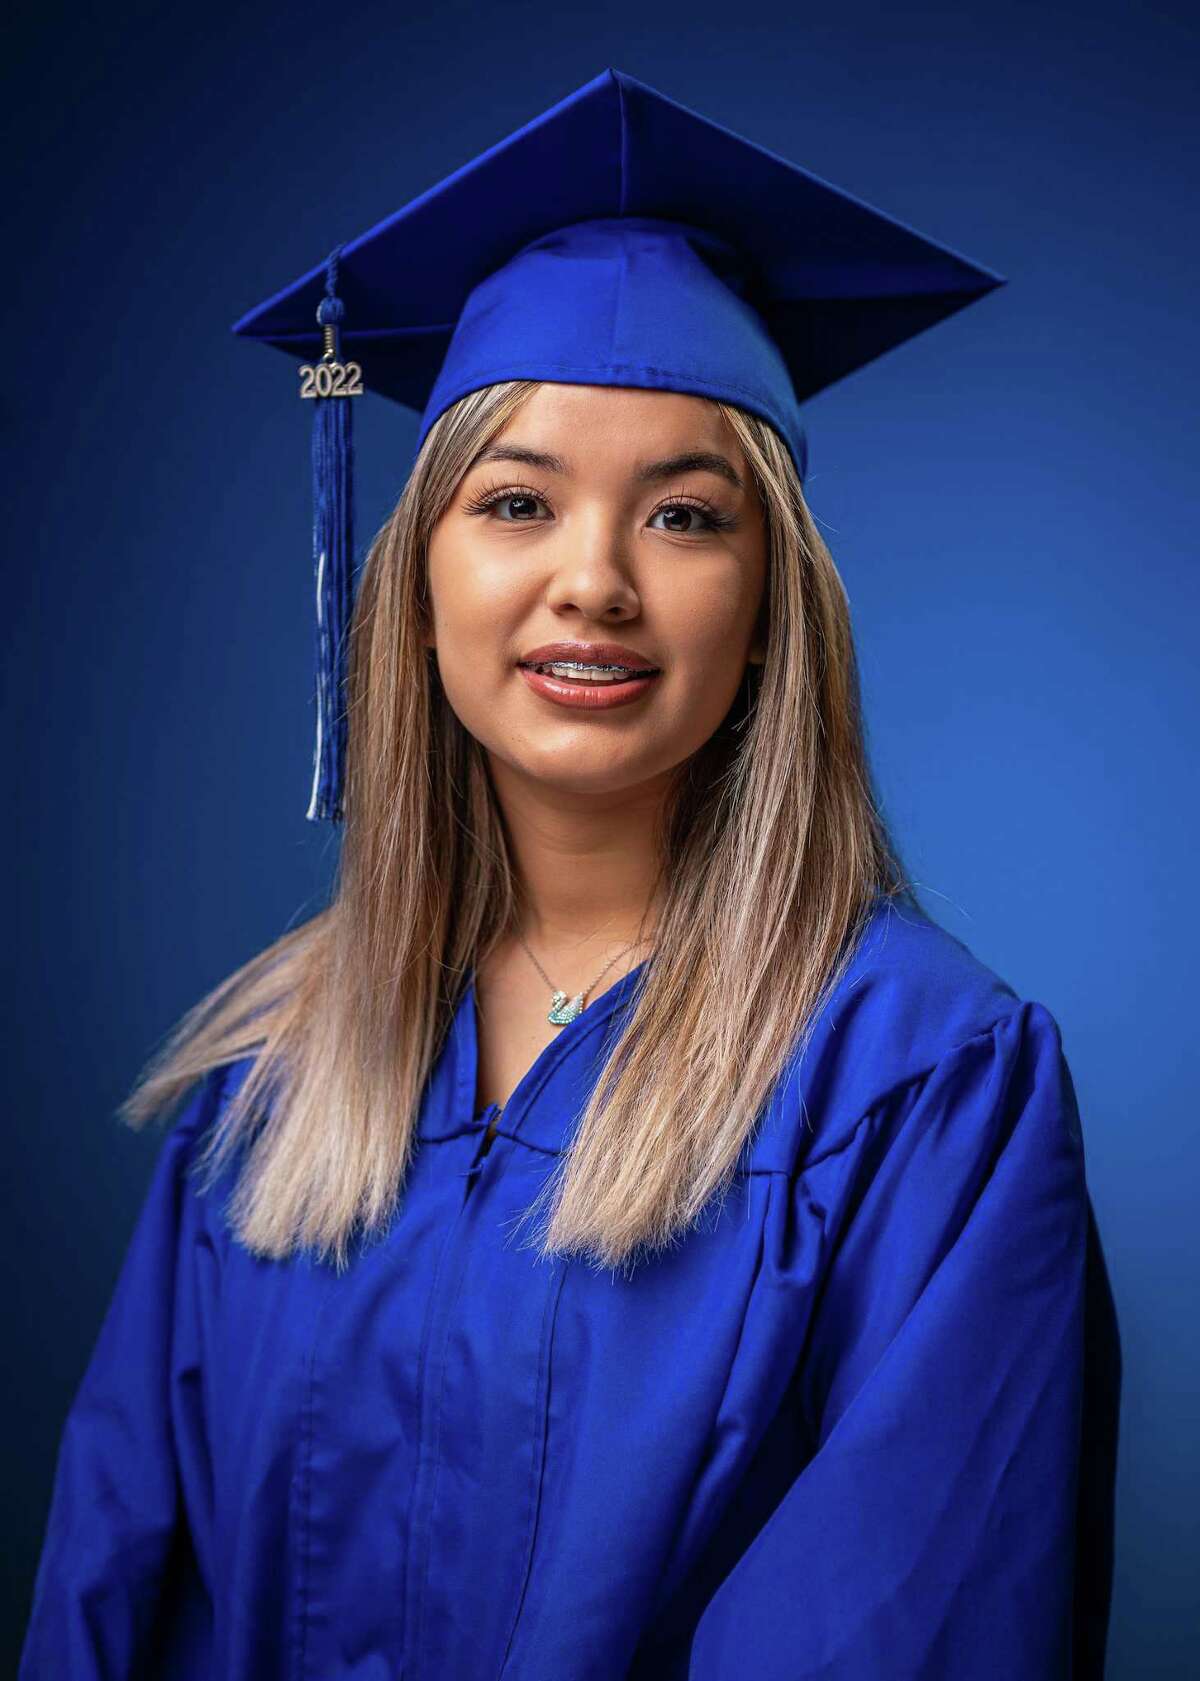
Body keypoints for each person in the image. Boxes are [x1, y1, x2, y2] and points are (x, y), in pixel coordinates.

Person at [20, 67, 1119, 1681]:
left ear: (771, 606)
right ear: (416, 578)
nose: (592, 581)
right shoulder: (271, 1084)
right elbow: (109, 1600)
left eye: (685, 516)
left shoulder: (923, 1088)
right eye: (517, 501)